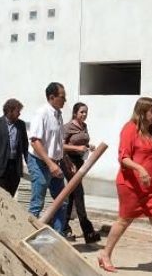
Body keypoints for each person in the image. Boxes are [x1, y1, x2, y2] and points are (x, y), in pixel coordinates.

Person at [97, 97, 152, 276]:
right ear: (142, 112)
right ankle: (105, 254)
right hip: (132, 185)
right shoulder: (129, 129)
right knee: (125, 220)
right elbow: (123, 157)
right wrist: (140, 169)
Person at [26, 82, 72, 234]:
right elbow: (35, 141)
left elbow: (57, 143)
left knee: (62, 201)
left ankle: (58, 235)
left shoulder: (58, 115)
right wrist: (50, 164)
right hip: (40, 162)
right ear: (52, 97)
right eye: (62, 97)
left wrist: (64, 160)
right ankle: (28, 235)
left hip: (55, 163)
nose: (65, 100)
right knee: (37, 203)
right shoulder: (42, 114)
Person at [62, 102, 100, 244]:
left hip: (79, 162)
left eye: (86, 112)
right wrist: (77, 149)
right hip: (68, 161)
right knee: (79, 193)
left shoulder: (84, 126)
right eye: (81, 112)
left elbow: (82, 142)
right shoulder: (67, 127)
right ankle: (88, 231)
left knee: (72, 195)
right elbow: (61, 145)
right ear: (75, 113)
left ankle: (63, 227)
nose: (84, 114)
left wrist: (88, 146)